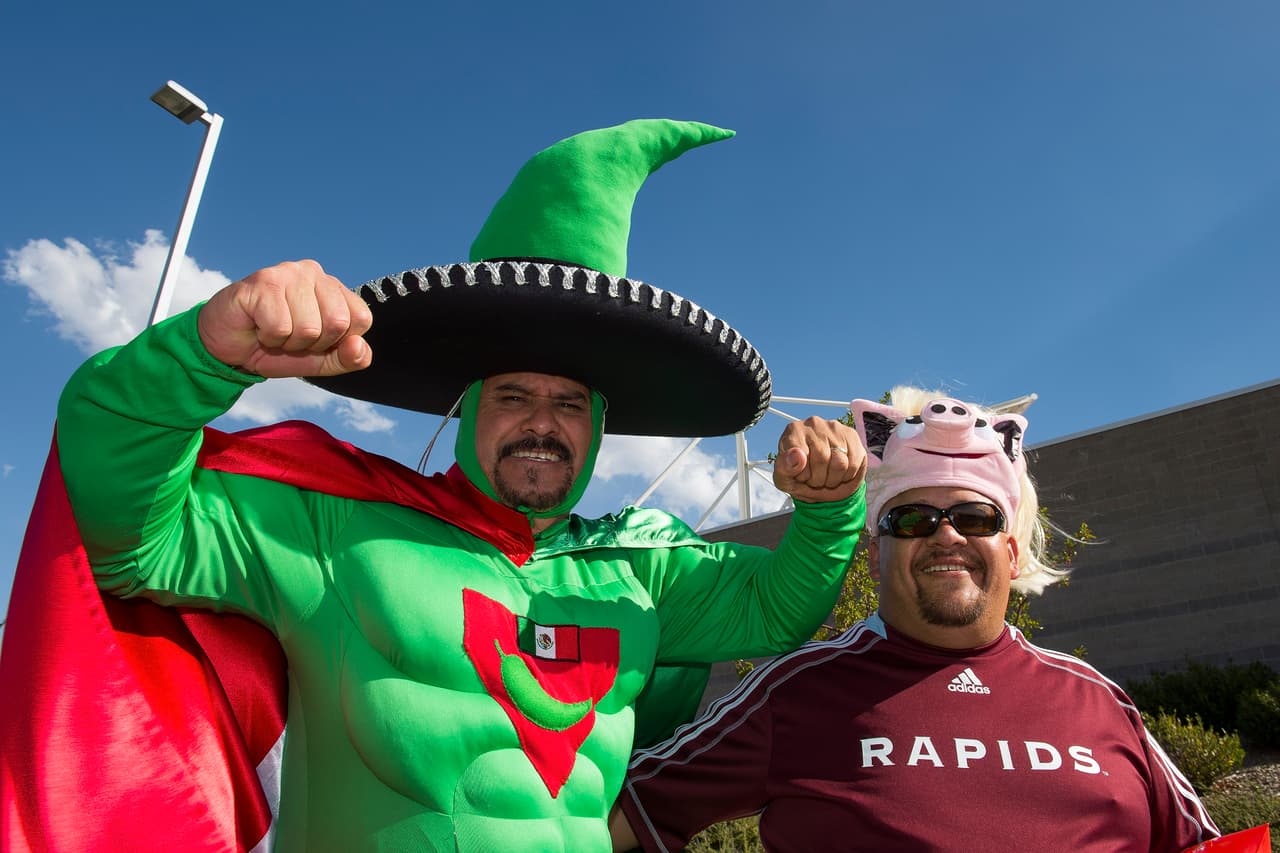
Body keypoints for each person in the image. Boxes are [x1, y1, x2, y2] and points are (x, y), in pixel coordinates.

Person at [0, 119, 867, 852]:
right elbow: (122, 531)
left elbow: (775, 608)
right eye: (515, 395)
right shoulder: (333, 529)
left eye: (570, 403)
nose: (543, 421)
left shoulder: (636, 570)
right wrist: (199, 354)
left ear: (601, 426)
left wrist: (831, 508)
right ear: (465, 408)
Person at [611, 387, 1221, 852]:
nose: (946, 536)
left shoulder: (1100, 699)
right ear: (876, 556)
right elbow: (608, 817)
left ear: (1009, 552)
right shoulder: (794, 691)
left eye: (976, 519)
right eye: (911, 520)